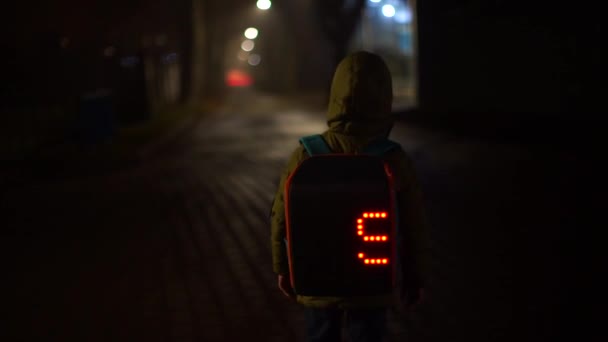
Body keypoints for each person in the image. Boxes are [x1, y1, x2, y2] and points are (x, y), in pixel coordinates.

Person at [270, 51, 431, 342]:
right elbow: (413, 224)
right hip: (373, 282)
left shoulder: (305, 155)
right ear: (385, 97)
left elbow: (281, 217)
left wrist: (283, 268)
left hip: (316, 279)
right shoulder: (393, 160)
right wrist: (414, 276)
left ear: (335, 95)